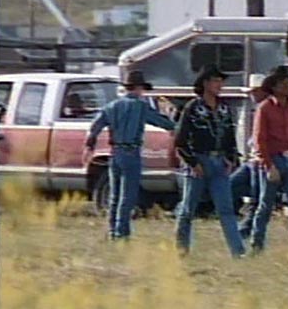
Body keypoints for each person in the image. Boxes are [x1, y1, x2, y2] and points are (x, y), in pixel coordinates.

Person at [83, 70, 175, 240]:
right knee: (128, 196)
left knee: (114, 195)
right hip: (131, 152)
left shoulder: (111, 106)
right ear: (139, 88)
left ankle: (112, 231)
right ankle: (121, 232)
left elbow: (95, 126)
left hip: (115, 152)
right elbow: (161, 122)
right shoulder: (140, 106)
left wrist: (89, 146)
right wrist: (172, 122)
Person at [174, 64, 245, 257]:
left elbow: (230, 135)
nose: (220, 84)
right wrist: (192, 163)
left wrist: (231, 158)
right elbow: (180, 140)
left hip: (219, 161)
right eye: (216, 80)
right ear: (205, 83)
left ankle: (238, 252)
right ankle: (181, 249)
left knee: (226, 209)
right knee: (188, 209)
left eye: (221, 81)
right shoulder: (192, 108)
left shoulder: (224, 108)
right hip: (198, 160)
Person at [250, 66, 288, 252]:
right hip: (273, 160)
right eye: (284, 83)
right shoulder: (265, 108)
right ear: (274, 87)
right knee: (265, 205)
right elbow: (260, 138)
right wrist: (269, 165)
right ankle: (256, 244)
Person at [230, 73, 267, 239]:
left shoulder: (266, 109)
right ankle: (243, 225)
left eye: (254, 91)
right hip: (253, 160)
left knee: (255, 198)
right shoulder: (260, 109)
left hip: (260, 161)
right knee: (231, 186)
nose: (251, 95)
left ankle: (245, 229)